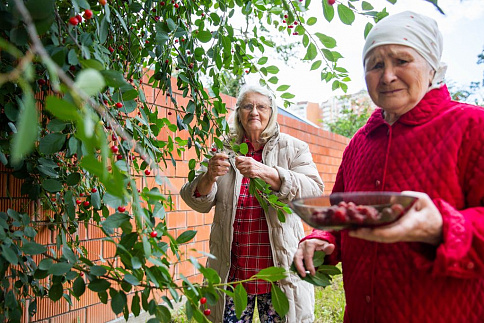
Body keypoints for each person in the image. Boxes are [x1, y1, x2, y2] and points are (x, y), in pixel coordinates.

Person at [293, 11, 484, 323]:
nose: (387, 76)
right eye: (376, 64)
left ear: (432, 67)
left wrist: (442, 229)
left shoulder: (473, 127)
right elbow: (340, 213)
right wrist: (323, 238)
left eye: (402, 60)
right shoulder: (360, 142)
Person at [180, 84, 324, 322]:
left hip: (278, 272)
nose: (254, 112)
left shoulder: (294, 148)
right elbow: (195, 200)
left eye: (261, 106)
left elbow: (314, 191)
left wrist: (268, 173)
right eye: (247, 106)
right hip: (234, 273)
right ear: (238, 113)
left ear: (271, 112)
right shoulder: (224, 150)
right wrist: (209, 176)